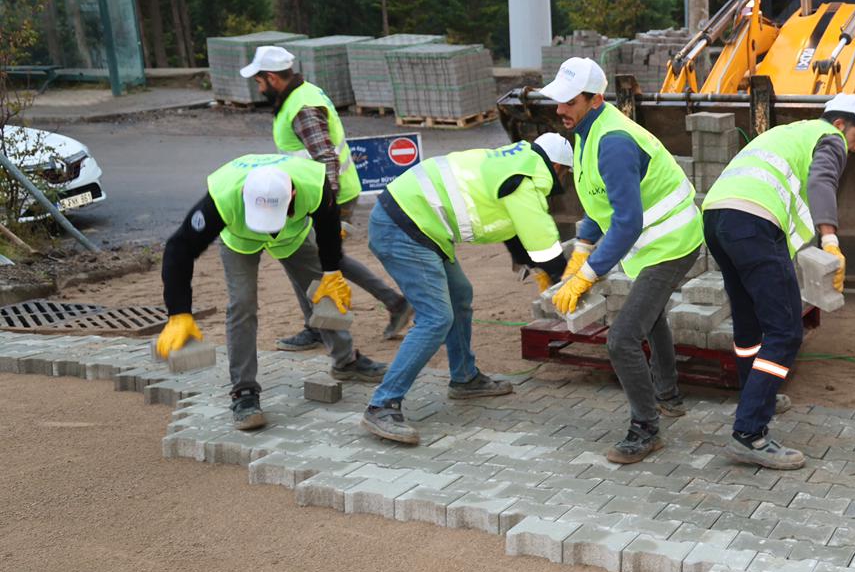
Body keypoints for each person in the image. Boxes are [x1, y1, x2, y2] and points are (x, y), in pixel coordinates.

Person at [356, 134, 575, 444]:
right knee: (435, 318)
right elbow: (545, 249)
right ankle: (382, 405)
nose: (562, 179)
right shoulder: (525, 181)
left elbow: (513, 231)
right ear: (556, 166)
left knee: (459, 295)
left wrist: (535, 266)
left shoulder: (512, 164)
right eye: (564, 173)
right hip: (402, 227)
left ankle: (464, 378)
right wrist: (567, 283)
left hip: (419, 224)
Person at [541, 58, 705, 466]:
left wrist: (587, 276)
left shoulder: (612, 140)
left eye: (569, 101)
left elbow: (628, 221)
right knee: (651, 319)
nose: (560, 109)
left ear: (595, 99)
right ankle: (668, 396)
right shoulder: (585, 132)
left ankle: (645, 428)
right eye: (558, 101)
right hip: (652, 243)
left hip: (673, 241)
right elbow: (601, 202)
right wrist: (582, 245)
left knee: (622, 338)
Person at [700, 95, 855, 468]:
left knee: (749, 325)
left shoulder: (789, 132)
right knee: (785, 332)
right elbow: (823, 179)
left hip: (717, 217)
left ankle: (755, 394)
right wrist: (830, 239)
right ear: (841, 124)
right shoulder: (829, 137)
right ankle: (750, 433)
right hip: (753, 222)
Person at [155, 153, 388, 430]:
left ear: (291, 194)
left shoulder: (314, 183)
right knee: (242, 304)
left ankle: (345, 362)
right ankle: (244, 392)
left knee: (326, 294)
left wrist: (331, 272)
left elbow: (327, 227)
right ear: (244, 194)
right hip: (241, 241)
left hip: (294, 236)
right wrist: (179, 313)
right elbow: (178, 249)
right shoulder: (222, 197)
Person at [240, 45, 414, 350]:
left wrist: (327, 209)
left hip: (327, 197)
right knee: (327, 258)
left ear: (271, 77)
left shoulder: (302, 107)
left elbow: (325, 157)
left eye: (259, 81)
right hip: (324, 194)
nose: (258, 87)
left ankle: (321, 327)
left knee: (302, 257)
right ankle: (394, 303)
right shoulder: (303, 94)